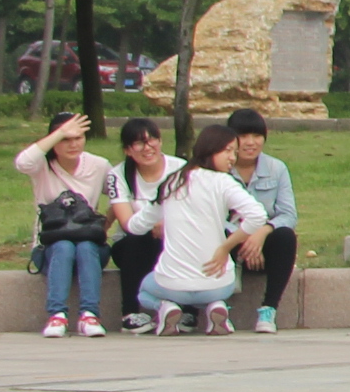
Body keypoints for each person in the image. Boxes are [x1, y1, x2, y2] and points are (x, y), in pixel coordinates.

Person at [122, 121, 270, 335]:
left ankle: (167, 307)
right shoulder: (224, 182)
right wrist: (225, 248)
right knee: (210, 292)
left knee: (144, 291)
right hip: (218, 284)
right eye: (228, 150)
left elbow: (135, 227)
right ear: (210, 148)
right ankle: (216, 307)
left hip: (171, 283)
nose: (233, 158)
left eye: (235, 152)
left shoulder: (172, 181)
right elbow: (258, 215)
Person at [15, 111, 114, 339]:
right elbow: (23, 162)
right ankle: (57, 315)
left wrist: (106, 223)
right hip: (50, 248)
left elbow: (122, 196)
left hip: (89, 245)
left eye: (77, 138)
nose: (72, 144)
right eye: (65, 140)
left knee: (85, 246)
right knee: (64, 246)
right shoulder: (42, 166)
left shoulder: (98, 165)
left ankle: (90, 315)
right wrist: (60, 131)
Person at [222, 109, 299, 334]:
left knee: (285, 235)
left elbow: (288, 214)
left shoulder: (276, 168)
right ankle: (217, 307)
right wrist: (244, 235)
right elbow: (213, 217)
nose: (250, 143)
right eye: (243, 136)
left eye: (257, 136)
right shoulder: (219, 168)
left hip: (264, 244)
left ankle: (269, 309)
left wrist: (262, 232)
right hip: (230, 242)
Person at [106, 118, 172, 332]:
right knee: (136, 240)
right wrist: (155, 222)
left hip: (173, 241)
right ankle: (131, 313)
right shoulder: (119, 175)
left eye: (152, 140)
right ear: (127, 150)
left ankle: (187, 312)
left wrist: (167, 223)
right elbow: (127, 223)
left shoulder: (180, 169)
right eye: (139, 143)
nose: (148, 148)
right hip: (133, 244)